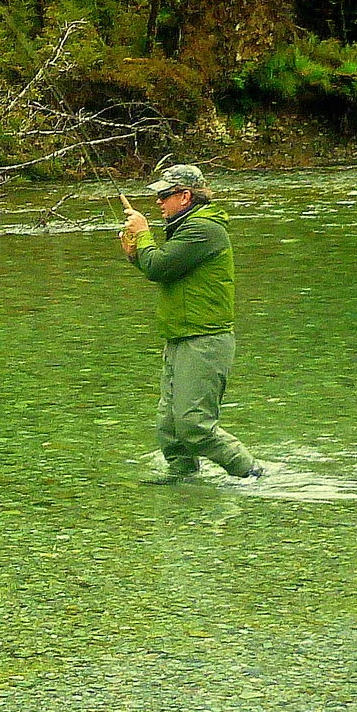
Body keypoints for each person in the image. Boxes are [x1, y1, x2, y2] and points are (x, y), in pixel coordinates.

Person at [121, 165, 261, 480]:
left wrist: (142, 233)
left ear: (185, 196)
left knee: (195, 425)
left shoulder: (203, 230)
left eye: (164, 195)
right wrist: (135, 255)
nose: (158, 201)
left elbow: (159, 266)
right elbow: (164, 269)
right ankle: (182, 483)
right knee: (169, 427)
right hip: (181, 337)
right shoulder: (187, 228)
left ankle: (252, 474)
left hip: (204, 340)